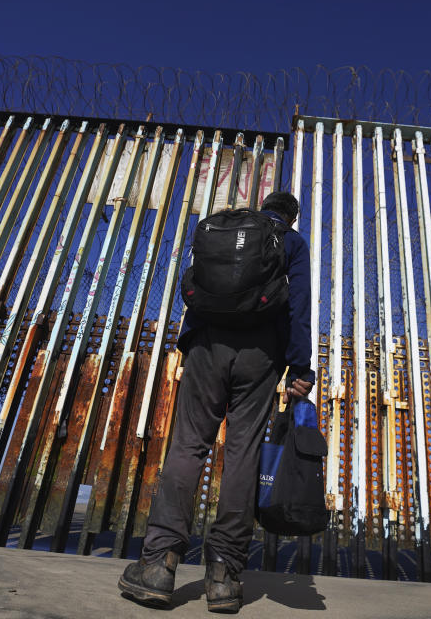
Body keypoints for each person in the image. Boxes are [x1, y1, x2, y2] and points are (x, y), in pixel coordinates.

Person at [118, 191, 314, 613]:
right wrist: (300, 368)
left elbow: (196, 284)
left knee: (189, 446)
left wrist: (191, 340)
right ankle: (224, 576)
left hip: (207, 344)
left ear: (262, 207)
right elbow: (298, 305)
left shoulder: (225, 229)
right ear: (292, 217)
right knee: (243, 453)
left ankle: (158, 564)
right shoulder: (291, 243)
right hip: (262, 354)